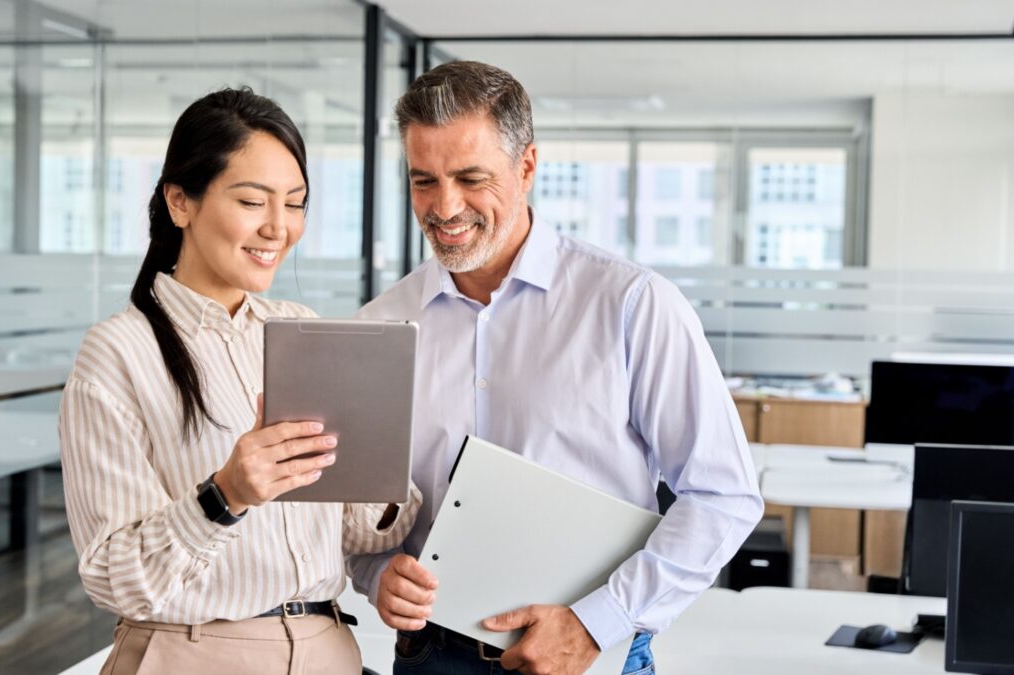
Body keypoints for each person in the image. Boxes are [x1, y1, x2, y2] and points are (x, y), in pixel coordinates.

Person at [348, 61, 764, 675]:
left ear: (527, 167)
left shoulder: (630, 304)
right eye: (423, 181)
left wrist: (598, 623)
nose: (445, 206)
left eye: (470, 178)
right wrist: (376, 572)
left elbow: (723, 495)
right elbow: (354, 514)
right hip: (432, 657)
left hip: (587, 654)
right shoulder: (380, 327)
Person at [59, 88, 421, 675]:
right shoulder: (117, 353)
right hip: (192, 654)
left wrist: (380, 449)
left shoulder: (301, 331)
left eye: (296, 203)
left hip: (327, 650)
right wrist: (225, 496)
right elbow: (112, 577)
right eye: (253, 200)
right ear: (180, 201)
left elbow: (366, 533)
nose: (278, 228)